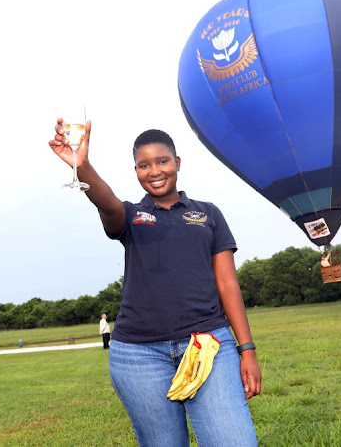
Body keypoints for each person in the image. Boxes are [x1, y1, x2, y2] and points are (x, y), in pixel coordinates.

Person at [50, 119, 261, 446]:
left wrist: (247, 349)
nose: (154, 170)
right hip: (138, 356)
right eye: (143, 165)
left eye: (162, 161)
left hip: (207, 344)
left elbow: (228, 284)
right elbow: (106, 203)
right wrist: (83, 167)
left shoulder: (209, 214)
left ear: (177, 163)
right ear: (136, 171)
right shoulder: (130, 217)